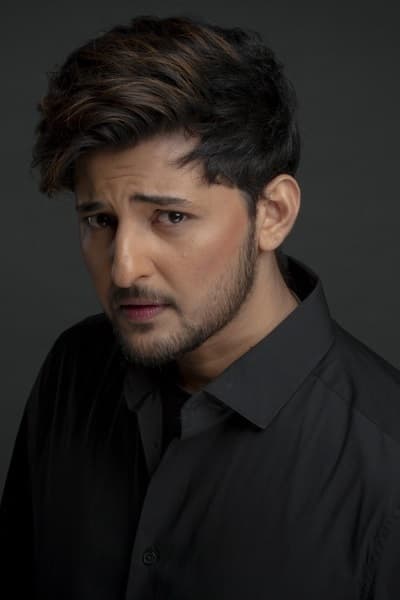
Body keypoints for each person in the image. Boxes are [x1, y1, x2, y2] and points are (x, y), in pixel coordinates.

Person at [1, 14, 400, 600]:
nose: (124, 269)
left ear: (273, 214)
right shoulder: (74, 370)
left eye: (171, 216)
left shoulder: (386, 465)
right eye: (100, 220)